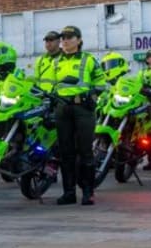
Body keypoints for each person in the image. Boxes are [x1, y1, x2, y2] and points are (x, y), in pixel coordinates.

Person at [54, 25, 106, 205]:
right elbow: (51, 86)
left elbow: (101, 82)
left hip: (82, 108)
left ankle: (88, 191)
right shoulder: (56, 62)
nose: (66, 40)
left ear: (79, 40)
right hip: (62, 109)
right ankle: (68, 192)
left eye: (70, 37)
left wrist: (91, 95)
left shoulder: (89, 60)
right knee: (65, 152)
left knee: (85, 151)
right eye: (64, 38)